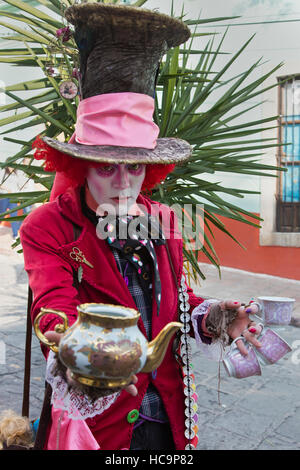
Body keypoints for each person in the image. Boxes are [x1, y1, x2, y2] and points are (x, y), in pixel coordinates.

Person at [20, 3, 262, 451]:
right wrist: (64, 344)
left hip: (168, 419)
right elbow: (55, 307)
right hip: (98, 423)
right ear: (79, 163)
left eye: (134, 167)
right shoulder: (48, 226)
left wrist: (214, 317)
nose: (123, 182)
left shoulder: (164, 219)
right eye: (106, 167)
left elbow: (175, 303)